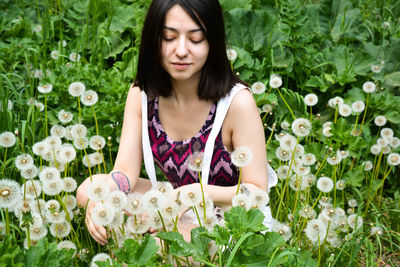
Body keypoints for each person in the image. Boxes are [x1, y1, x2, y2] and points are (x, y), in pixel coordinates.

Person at [76, 0, 276, 246]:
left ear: (213, 42)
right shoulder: (143, 95)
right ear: (153, 40)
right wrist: (103, 197)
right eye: (169, 38)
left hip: (231, 220)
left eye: (195, 39)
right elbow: (125, 171)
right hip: (177, 206)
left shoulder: (236, 104)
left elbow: (256, 192)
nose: (181, 50)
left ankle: (150, 241)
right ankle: (161, 234)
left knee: (168, 245)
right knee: (89, 189)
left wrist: (191, 194)